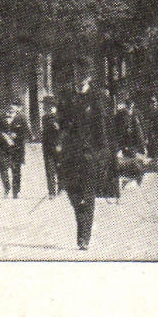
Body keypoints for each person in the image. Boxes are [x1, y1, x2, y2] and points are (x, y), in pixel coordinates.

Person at [57, 63, 116, 250]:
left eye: (83, 76)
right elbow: (62, 123)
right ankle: (81, 218)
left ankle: (84, 238)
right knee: (73, 192)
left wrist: (102, 155)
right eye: (77, 75)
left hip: (90, 155)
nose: (79, 79)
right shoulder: (67, 96)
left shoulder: (97, 97)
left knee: (88, 195)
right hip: (70, 155)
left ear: (89, 78)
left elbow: (103, 129)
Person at [0, 101, 30, 198]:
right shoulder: (0, 117)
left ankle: (16, 191)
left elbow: (26, 132)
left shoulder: (22, 118)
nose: (10, 111)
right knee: (3, 167)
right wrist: (4, 136)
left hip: (17, 148)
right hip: (3, 147)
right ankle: (6, 187)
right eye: (9, 109)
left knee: (16, 169)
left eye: (13, 109)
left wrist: (17, 135)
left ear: (17, 109)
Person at [40, 97, 63, 198]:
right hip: (47, 147)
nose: (44, 107)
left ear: (51, 106)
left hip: (58, 146)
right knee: (49, 169)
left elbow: (63, 132)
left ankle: (61, 188)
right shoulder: (44, 118)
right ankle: (51, 191)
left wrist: (60, 144)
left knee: (60, 167)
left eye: (45, 105)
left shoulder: (60, 117)